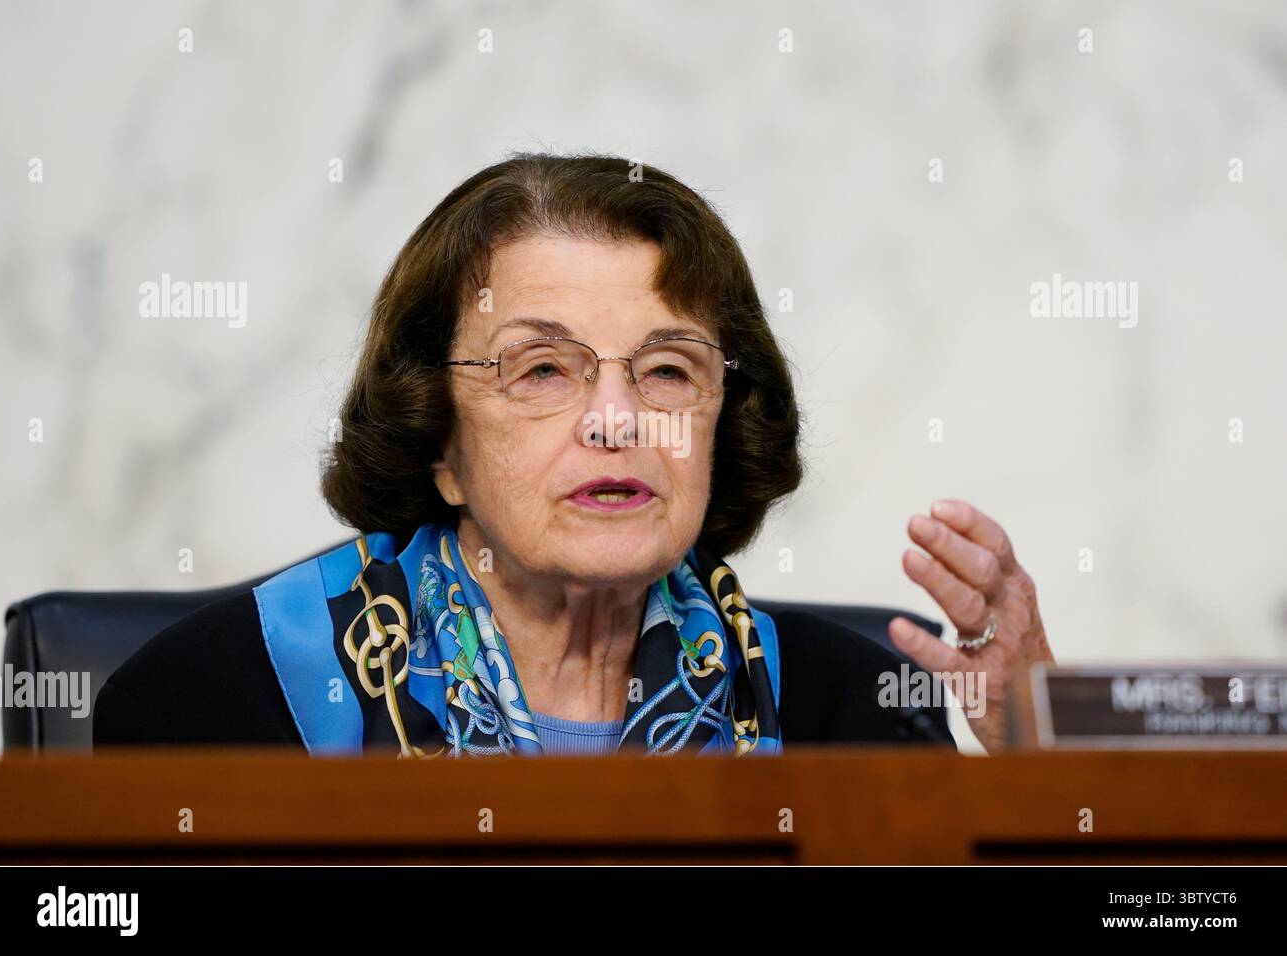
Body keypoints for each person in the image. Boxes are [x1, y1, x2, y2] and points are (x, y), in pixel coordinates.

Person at [94, 153, 1054, 757]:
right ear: (442, 445)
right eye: (542, 371)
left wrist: (1045, 763)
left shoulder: (850, 713)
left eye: (668, 372)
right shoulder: (219, 703)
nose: (615, 421)